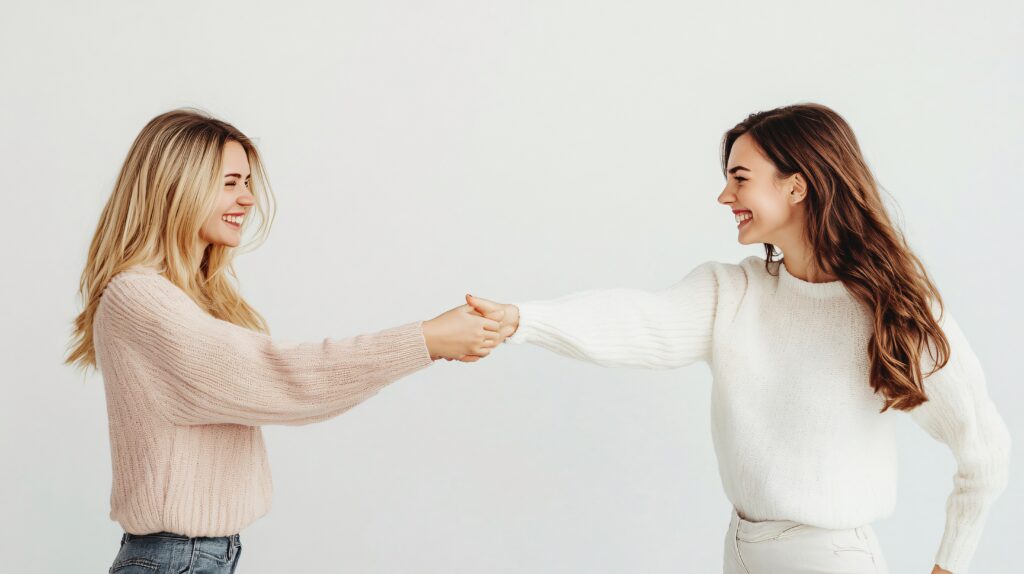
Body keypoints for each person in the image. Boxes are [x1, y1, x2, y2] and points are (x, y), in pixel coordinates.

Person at [467, 103, 1011, 574]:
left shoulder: (893, 312)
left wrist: (949, 565)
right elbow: (637, 319)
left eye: (740, 177)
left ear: (796, 186)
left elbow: (985, 450)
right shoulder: (733, 293)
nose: (724, 195)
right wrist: (521, 320)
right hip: (742, 551)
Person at [64, 108, 500, 573]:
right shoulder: (140, 298)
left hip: (195, 558)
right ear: (176, 185)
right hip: (177, 560)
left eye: (247, 182)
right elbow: (279, 377)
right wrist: (425, 341)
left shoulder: (187, 298)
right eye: (230, 182)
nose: (248, 199)